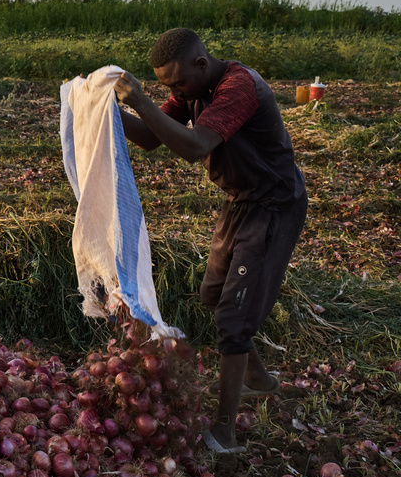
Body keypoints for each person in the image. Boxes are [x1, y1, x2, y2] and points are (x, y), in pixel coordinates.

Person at [113, 28, 307, 454]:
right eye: (167, 87)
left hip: (274, 204)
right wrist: (101, 110)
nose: (174, 93)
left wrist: (142, 100)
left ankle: (225, 432)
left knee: (233, 321)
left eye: (177, 84)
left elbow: (194, 146)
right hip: (241, 200)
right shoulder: (191, 87)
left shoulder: (239, 87)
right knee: (214, 294)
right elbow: (150, 137)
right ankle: (258, 379)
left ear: (201, 64)